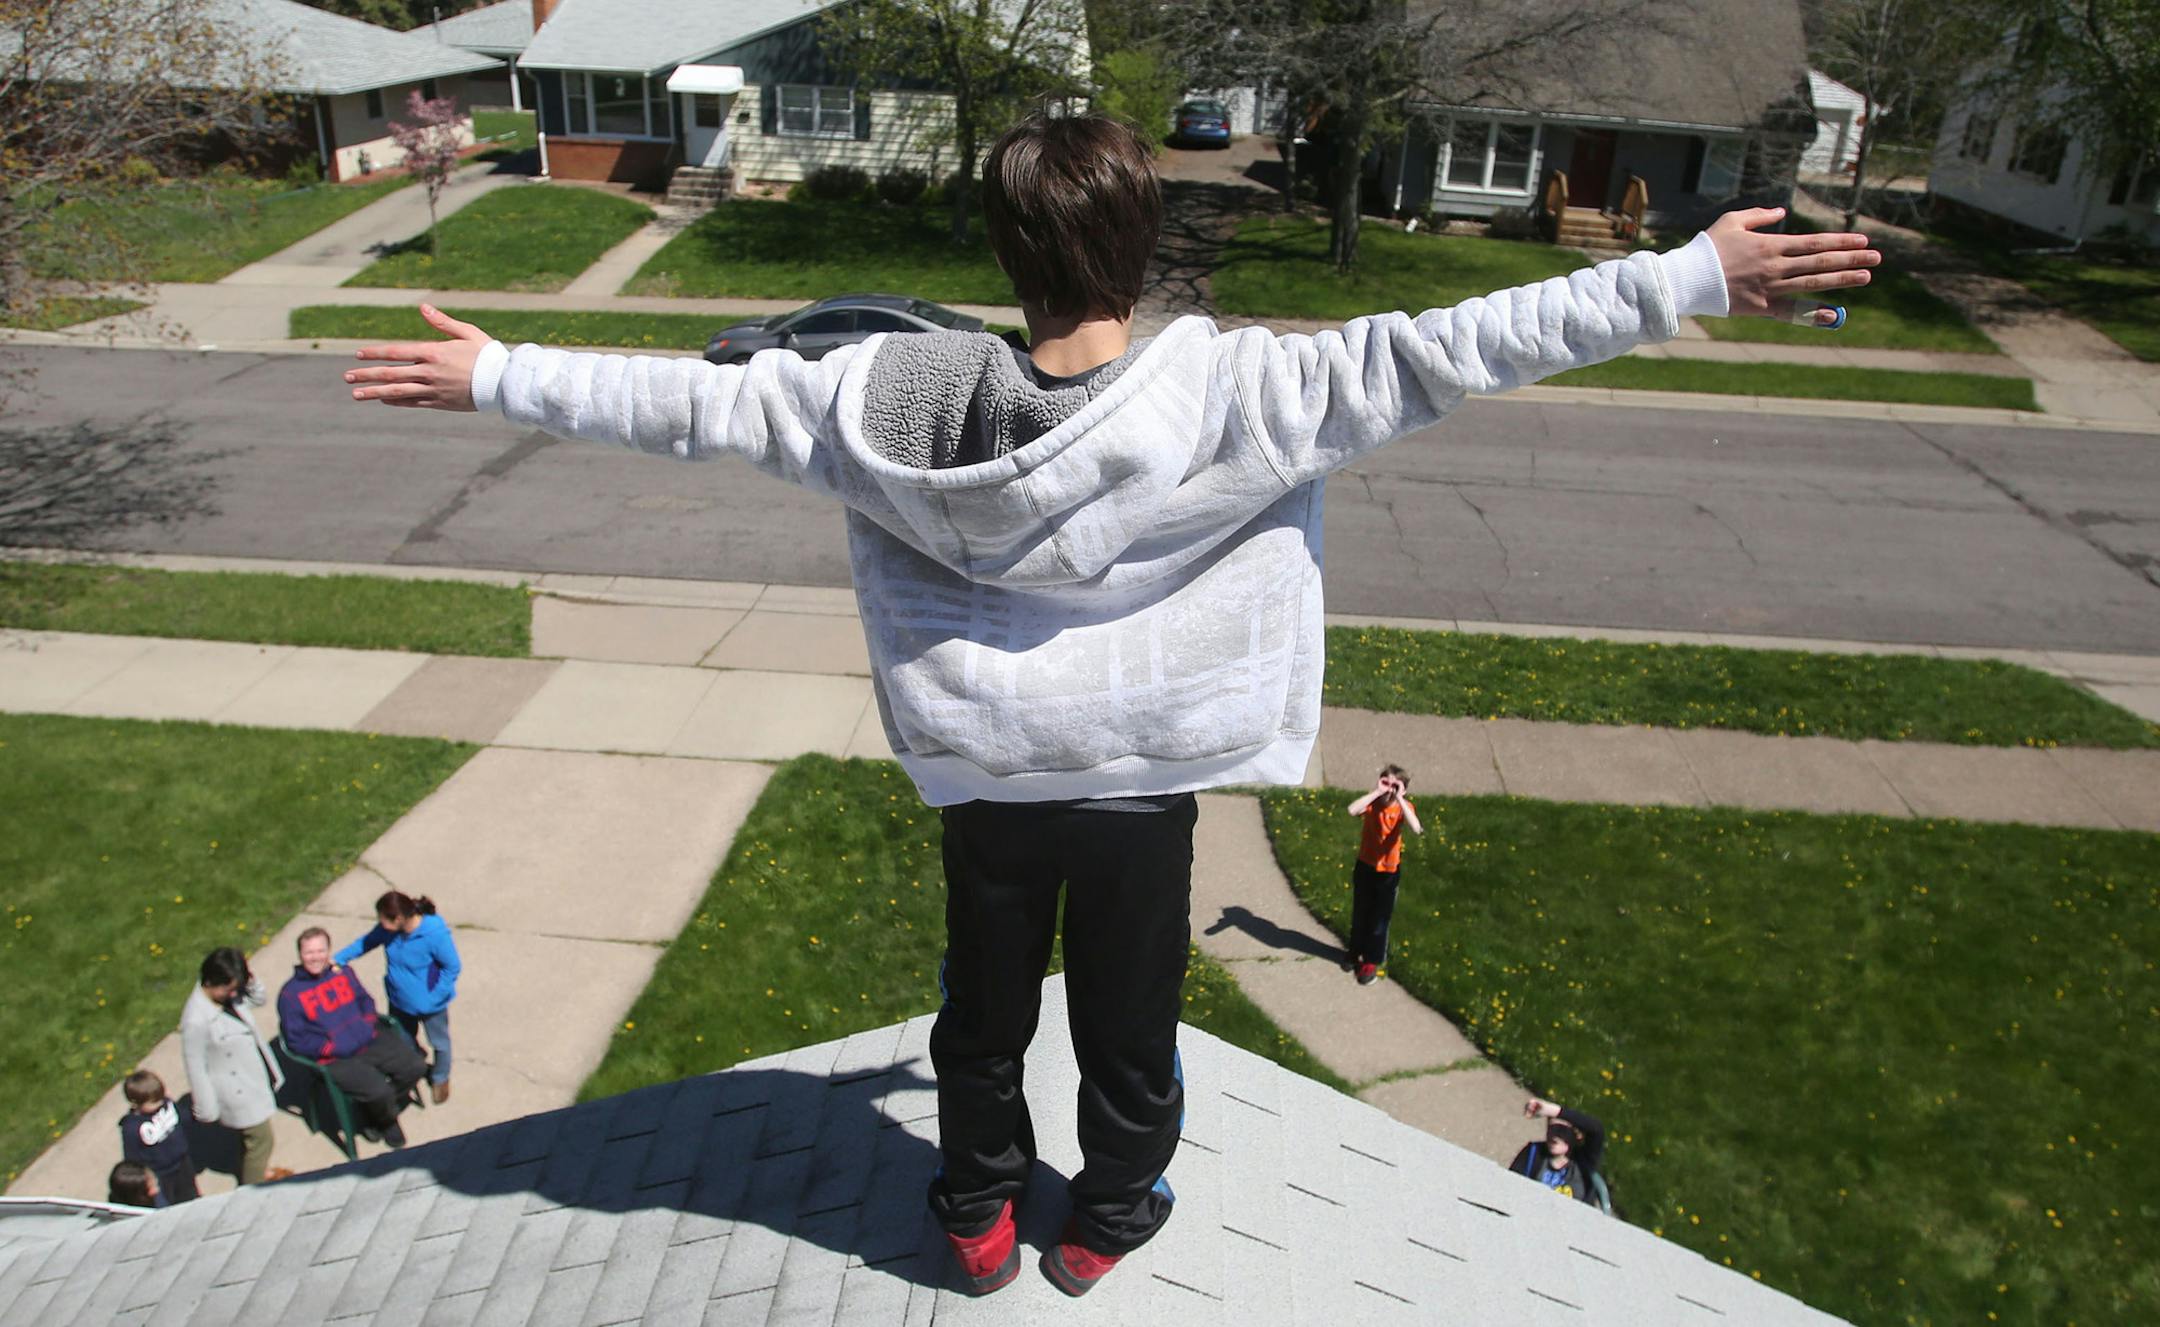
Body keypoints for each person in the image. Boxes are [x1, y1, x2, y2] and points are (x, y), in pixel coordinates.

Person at [340, 110, 1877, 1296]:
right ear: (1143, 241)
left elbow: (685, 402)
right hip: (1143, 780)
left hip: (988, 779)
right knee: (1131, 1023)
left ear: (1005, 253)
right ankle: (1111, 1216)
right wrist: (1689, 275)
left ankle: (976, 1211)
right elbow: (1465, 345)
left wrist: (500, 373)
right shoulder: (1246, 393)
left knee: (981, 1013)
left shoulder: (875, 401)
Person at [277, 927, 428, 1149]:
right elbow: (296, 1039)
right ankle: (386, 1121)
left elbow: (365, 1000)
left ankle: (377, 1111)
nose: (315, 957)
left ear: (329, 951)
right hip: (336, 1058)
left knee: (415, 1066)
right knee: (379, 1091)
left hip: (368, 1039)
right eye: (309, 952)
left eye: (320, 950)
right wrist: (329, 1047)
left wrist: (366, 1024)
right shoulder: (290, 995)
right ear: (300, 955)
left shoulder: (344, 973)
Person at [335, 890, 461, 1105]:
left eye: (384, 919)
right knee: (403, 1041)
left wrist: (434, 997)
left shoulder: (433, 934)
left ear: (400, 918)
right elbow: (365, 943)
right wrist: (337, 960)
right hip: (400, 1002)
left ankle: (440, 1078)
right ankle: (416, 1063)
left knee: (439, 1043)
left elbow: (452, 967)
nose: (381, 924)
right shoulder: (388, 931)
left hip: (431, 1007)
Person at [180, 946, 289, 1186]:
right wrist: (207, 1109)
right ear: (211, 982)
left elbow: (259, 998)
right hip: (237, 1092)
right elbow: (195, 1066)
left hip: (253, 1076)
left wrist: (247, 978)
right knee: (261, 1141)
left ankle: (252, 1173)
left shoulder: (231, 996)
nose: (233, 994)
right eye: (228, 989)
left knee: (249, 1142)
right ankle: (253, 1189)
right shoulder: (195, 1021)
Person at [1345, 764, 1422, 985]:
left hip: (1388, 872)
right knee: (1360, 912)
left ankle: (1372, 959)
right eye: (1385, 783)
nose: (1389, 789)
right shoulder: (1372, 804)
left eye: (1394, 786)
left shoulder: (1403, 807)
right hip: (1365, 866)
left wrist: (1400, 799)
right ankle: (1355, 951)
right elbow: (1352, 810)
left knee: (1380, 919)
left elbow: (1416, 828)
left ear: (1403, 790)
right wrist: (1377, 792)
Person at [1510, 1096, 1609, 1210]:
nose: (1555, 1136)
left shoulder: (1583, 1160)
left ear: (1576, 1136)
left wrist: (1552, 1110)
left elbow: (1597, 1129)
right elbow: (1511, 1185)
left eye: (1562, 1130)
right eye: (1552, 1128)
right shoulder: (1533, 1152)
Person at [117, 1069, 198, 1204]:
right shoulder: (132, 1128)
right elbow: (132, 1156)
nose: (160, 1103)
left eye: (160, 1097)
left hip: (182, 1162)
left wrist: (193, 1116)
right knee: (170, 1203)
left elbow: (182, 1118)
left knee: (190, 1193)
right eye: (153, 1101)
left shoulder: (166, 1104)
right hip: (160, 1173)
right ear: (135, 1102)